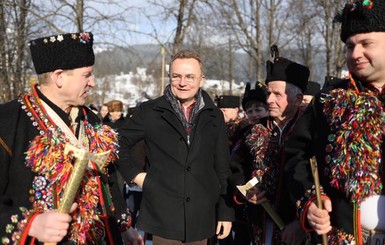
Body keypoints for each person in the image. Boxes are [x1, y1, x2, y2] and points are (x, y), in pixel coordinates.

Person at [0, 32, 143, 245]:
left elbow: (108, 179)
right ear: (59, 77)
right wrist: (31, 224)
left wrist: (123, 226)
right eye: (87, 75)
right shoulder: (9, 121)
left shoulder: (91, 119)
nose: (93, 83)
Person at [284, 0, 385, 244]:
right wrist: (309, 202)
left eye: (366, 44)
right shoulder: (327, 101)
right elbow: (296, 156)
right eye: (350, 46)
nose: (356, 53)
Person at [115, 50, 234, 244]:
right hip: (163, 217)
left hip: (202, 217)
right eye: (176, 76)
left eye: (190, 77)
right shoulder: (149, 111)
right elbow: (117, 143)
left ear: (201, 79)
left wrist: (225, 212)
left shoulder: (214, 115)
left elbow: (222, 166)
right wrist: (138, 177)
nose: (183, 82)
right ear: (169, 77)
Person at [229, 54, 310, 245]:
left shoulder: (310, 131)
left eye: (278, 95)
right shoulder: (254, 130)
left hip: (299, 229)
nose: (270, 100)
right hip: (258, 226)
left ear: (298, 99)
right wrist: (246, 191)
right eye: (268, 93)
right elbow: (234, 169)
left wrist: (302, 222)